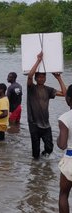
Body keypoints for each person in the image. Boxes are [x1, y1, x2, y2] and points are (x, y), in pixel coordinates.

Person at [27, 52, 66, 159]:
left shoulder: (48, 90)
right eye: (39, 77)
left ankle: (43, 164)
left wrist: (59, 78)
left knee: (49, 148)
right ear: (36, 79)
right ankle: (36, 169)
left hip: (46, 124)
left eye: (43, 77)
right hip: (34, 124)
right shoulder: (31, 88)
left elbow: (64, 93)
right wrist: (38, 60)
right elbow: (30, 76)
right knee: (35, 152)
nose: (42, 79)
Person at [57, 84, 72, 213]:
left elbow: (62, 144)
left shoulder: (64, 118)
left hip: (70, 159)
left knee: (63, 194)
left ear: (68, 100)